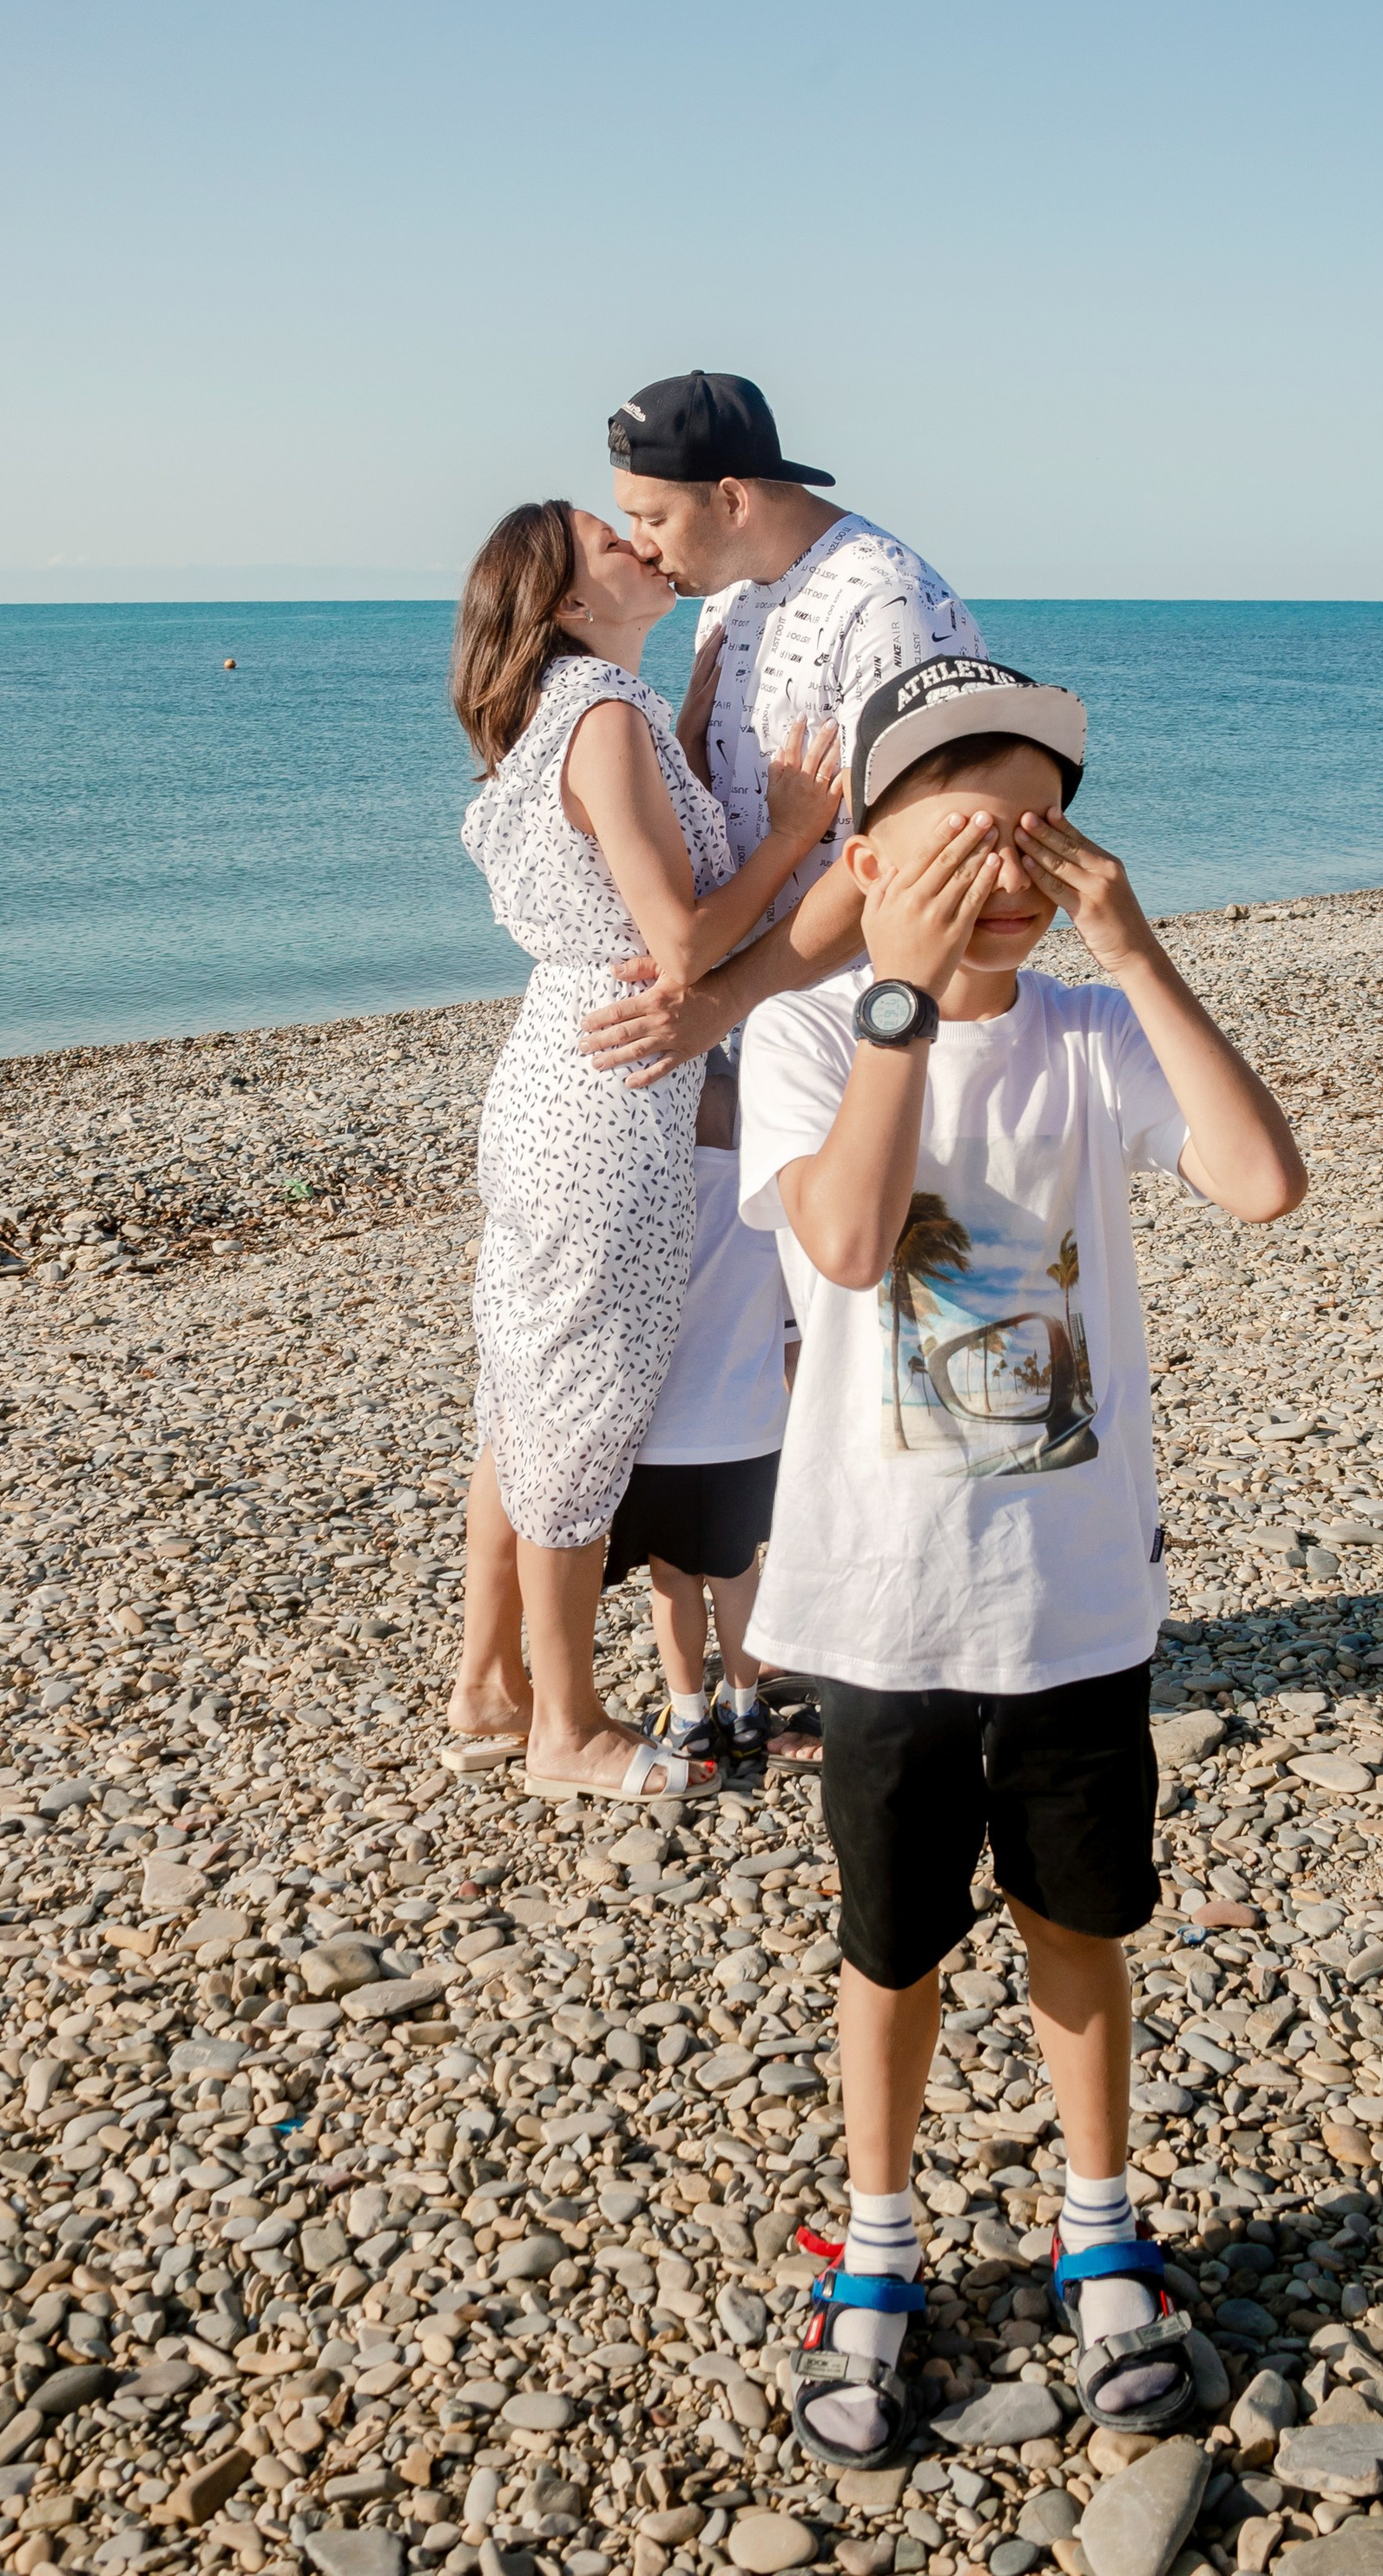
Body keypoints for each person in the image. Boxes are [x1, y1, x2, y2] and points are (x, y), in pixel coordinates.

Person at [734, 656, 1307, 2464]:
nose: (999, 868)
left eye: (1031, 828)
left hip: (1067, 1600)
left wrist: (1132, 952)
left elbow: (1258, 1182)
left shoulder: (1084, 1035)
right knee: (887, 1943)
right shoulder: (812, 1034)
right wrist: (894, 983)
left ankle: (1095, 2220)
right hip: (878, 1601)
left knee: (1080, 1918)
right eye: (955, 827)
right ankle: (879, 2241)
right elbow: (838, 1237)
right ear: (870, 845)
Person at [445, 496, 842, 1806]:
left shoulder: (572, 713)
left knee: (523, 1390)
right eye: (610, 542)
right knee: (571, 1412)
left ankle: (488, 1686)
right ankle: (567, 1729)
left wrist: (695, 690)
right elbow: (680, 945)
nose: (641, 544)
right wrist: (791, 830)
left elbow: (637, 834)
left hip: (552, 1072)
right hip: (614, 1096)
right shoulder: (600, 720)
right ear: (568, 601)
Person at [581, 370, 985, 1089]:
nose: (639, 546)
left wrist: (727, 994)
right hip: (750, 1027)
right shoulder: (725, 597)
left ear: (732, 499)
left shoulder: (891, 607)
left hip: (868, 1030)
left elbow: (904, 860)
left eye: (655, 518)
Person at [597, 1052, 819, 1770]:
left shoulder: (655, 1198)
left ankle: (691, 1716)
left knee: (673, 1579)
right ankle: (747, 1710)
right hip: (750, 1429)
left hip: (666, 1433)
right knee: (739, 1573)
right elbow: (794, 1334)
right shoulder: (769, 1205)